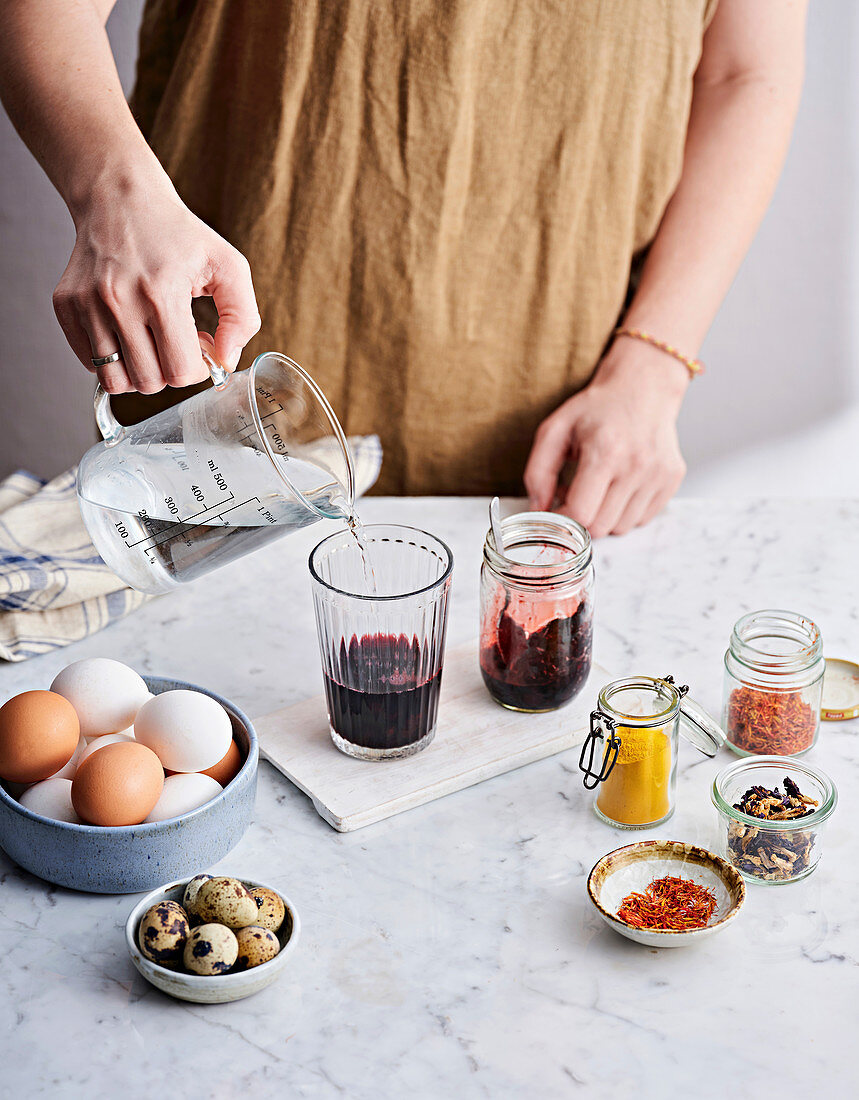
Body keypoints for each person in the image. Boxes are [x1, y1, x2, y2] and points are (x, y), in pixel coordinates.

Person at [0, 0, 807, 534]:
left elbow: (747, 70)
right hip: (215, 373)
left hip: (559, 412)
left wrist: (654, 367)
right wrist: (114, 193)